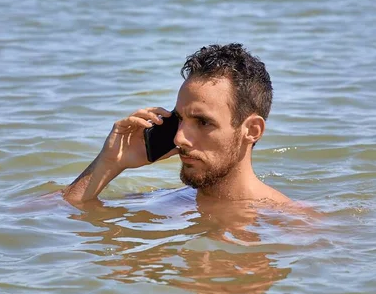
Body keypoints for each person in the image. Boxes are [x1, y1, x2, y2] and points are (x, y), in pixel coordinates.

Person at [61, 43, 291, 206]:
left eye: (202, 122)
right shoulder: (164, 203)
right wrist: (109, 163)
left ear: (252, 130)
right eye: (179, 119)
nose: (179, 138)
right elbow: (51, 216)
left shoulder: (287, 224)